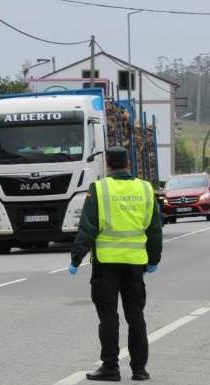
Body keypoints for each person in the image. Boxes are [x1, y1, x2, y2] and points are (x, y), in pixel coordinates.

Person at [69, 146, 162, 382]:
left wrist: (76, 258)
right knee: (136, 316)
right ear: (128, 163)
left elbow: (87, 228)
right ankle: (139, 369)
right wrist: (153, 259)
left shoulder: (99, 189)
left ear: (108, 164)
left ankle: (111, 367)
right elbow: (154, 229)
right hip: (134, 265)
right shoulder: (145, 189)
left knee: (109, 317)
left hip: (106, 264)